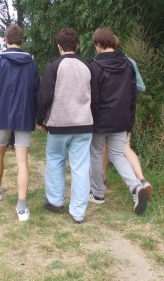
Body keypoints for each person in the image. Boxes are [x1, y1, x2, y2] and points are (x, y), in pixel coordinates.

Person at [36, 28, 96, 224]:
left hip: (58, 124)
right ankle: (78, 212)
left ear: (59, 46)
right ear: (77, 45)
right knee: (80, 167)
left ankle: (54, 201)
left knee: (55, 159)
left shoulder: (53, 67)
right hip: (84, 124)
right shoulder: (88, 67)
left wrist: (40, 119)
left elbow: (44, 97)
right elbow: (95, 98)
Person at [0, 25, 40, 222]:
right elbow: (36, 91)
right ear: (22, 40)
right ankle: (22, 207)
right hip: (24, 116)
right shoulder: (31, 63)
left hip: (1, 116)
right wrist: (36, 115)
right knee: (22, 160)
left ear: (5, 39)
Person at [88, 26, 147, 215]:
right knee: (117, 155)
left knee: (96, 154)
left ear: (98, 44)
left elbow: (93, 98)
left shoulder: (94, 67)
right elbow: (133, 95)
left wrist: (91, 118)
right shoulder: (128, 64)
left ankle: (97, 194)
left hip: (99, 120)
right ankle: (136, 187)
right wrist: (130, 120)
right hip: (122, 118)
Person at [99, 35, 152, 200]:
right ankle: (141, 180)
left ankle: (102, 182)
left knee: (113, 150)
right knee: (121, 149)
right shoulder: (130, 62)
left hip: (111, 113)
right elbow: (141, 87)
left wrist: (121, 92)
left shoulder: (102, 63)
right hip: (125, 114)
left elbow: (139, 87)